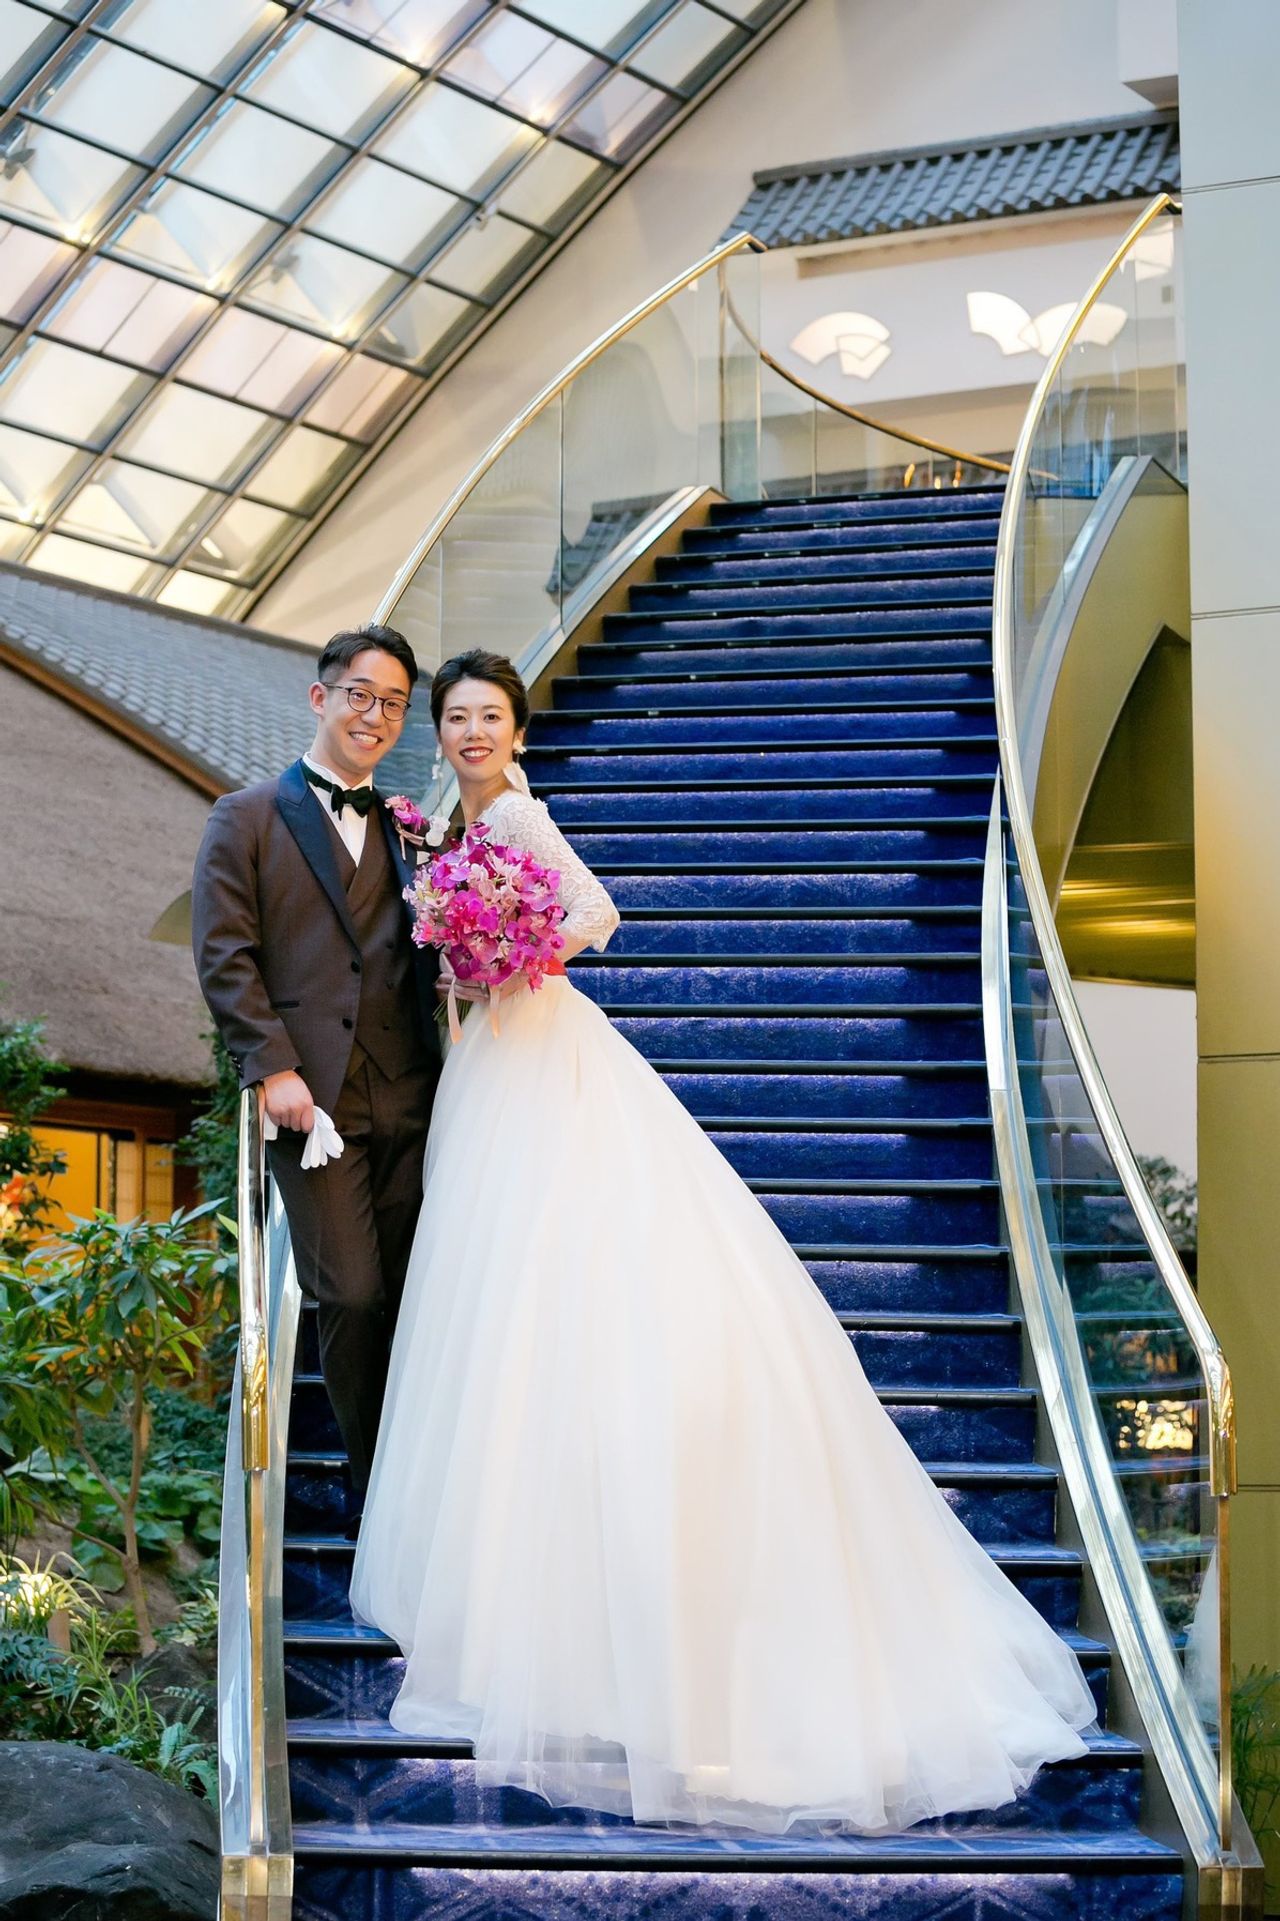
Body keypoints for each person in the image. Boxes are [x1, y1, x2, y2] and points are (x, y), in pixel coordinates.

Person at [350, 647, 1097, 1835]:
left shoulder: (519, 818)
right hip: (488, 1062)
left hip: (541, 1053)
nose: (472, 732)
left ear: (516, 728)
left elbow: (596, 911)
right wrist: (469, 954)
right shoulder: (451, 825)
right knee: (495, 1301)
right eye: (455, 718)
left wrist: (509, 951)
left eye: (488, 715)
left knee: (554, 1273)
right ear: (436, 733)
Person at [191, 624, 441, 1517]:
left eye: (394, 704)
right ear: (320, 696)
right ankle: (379, 1501)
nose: (375, 715)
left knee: (416, 1294)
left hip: (413, 1091)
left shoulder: (412, 829)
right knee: (353, 1293)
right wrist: (271, 1067)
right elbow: (225, 953)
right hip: (313, 1104)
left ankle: (423, 1487)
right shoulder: (247, 815)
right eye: (360, 695)